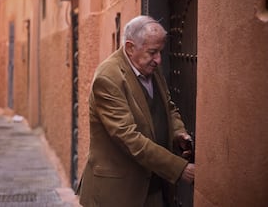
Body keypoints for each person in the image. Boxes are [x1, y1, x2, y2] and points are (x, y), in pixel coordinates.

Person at [76, 15, 195, 207]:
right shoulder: (108, 78)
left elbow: (168, 107)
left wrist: (178, 132)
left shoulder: (150, 67)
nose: (158, 59)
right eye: (153, 52)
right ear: (130, 48)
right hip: (119, 193)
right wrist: (179, 168)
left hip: (154, 185)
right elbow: (128, 137)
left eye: (160, 52)